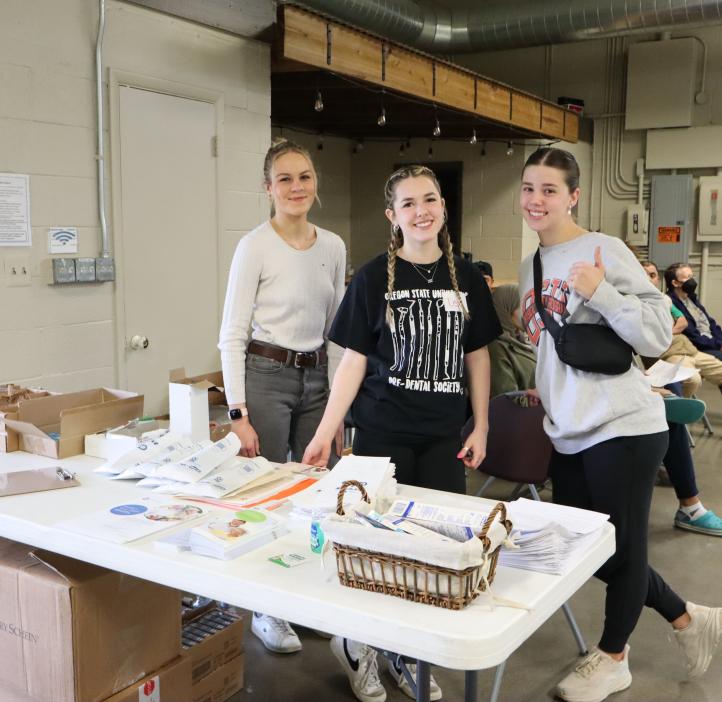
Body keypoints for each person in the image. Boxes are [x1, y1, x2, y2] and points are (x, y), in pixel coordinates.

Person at [518, 147, 722, 702]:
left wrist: (601, 291)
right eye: (529, 188)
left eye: (550, 190)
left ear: (574, 195)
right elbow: (557, 348)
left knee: (624, 549)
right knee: (595, 551)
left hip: (624, 426)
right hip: (567, 428)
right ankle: (688, 619)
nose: (537, 200)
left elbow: (658, 332)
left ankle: (613, 658)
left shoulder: (602, 250)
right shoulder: (529, 264)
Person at [303, 164, 501, 702]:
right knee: (378, 549)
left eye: (430, 199)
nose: (422, 211)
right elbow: (351, 364)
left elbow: (477, 357)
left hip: (443, 436)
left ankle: (405, 653)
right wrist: (326, 433)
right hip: (382, 434)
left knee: (433, 554)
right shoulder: (372, 279)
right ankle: (358, 645)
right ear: (393, 216)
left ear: (443, 207)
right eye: (409, 203)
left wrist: (481, 424)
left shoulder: (466, 277)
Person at [218, 137, 346, 655]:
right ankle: (266, 609)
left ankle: (305, 598)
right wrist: (237, 413)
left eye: (305, 177)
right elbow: (231, 333)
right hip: (265, 376)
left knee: (318, 495)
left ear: (316, 184)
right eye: (285, 179)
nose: (297, 187)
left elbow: (338, 331)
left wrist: (338, 407)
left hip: (317, 377)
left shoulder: (333, 246)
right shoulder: (254, 246)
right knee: (266, 495)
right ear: (268, 188)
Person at [641, 261, 722, 396]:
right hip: (673, 352)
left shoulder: (664, 300)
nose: (649, 278)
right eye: (645, 274)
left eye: (653, 275)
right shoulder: (636, 301)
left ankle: (679, 408)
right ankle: (678, 411)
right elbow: (689, 331)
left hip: (690, 349)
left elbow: (683, 321)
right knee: (693, 380)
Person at [665, 262, 722, 361]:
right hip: (699, 347)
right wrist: (717, 345)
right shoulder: (670, 303)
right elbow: (692, 336)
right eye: (688, 277)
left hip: (713, 343)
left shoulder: (692, 298)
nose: (692, 280)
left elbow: (711, 323)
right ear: (675, 283)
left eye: (692, 276)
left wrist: (720, 342)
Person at [487, 284, 536, 397]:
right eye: (522, 306)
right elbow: (505, 400)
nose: (528, 312)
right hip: (526, 413)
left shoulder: (522, 341)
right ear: (506, 307)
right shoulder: (496, 347)